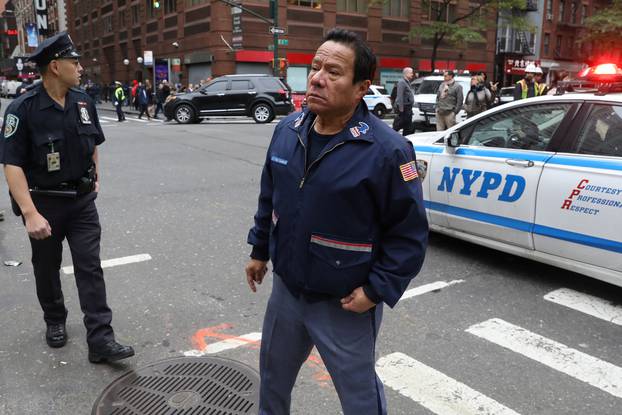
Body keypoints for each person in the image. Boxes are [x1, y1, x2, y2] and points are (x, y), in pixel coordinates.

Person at [245, 28, 428, 415]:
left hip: (345, 302)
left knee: (359, 396)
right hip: (288, 292)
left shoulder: (387, 151)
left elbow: (408, 234)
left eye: (333, 71)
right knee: (272, 383)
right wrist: (259, 250)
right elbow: (270, 198)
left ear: (361, 87)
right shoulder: (287, 131)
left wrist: (376, 291)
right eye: (315, 67)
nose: (317, 78)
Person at [0, 32, 134, 363]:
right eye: (75, 62)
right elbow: (12, 165)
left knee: (90, 267)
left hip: (81, 202)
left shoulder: (83, 102)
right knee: (47, 268)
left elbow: (94, 145)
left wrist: (95, 177)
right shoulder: (23, 109)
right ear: (55, 66)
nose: (81, 67)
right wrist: (30, 213)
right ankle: (55, 319)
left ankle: (101, 339)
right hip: (44, 203)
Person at [392, 67, 415, 135]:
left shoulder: (407, 82)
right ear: (406, 73)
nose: (412, 74)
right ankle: (390, 135)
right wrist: (401, 109)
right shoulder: (402, 82)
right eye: (411, 73)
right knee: (399, 125)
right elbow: (400, 96)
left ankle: (405, 139)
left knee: (407, 126)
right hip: (404, 108)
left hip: (408, 108)